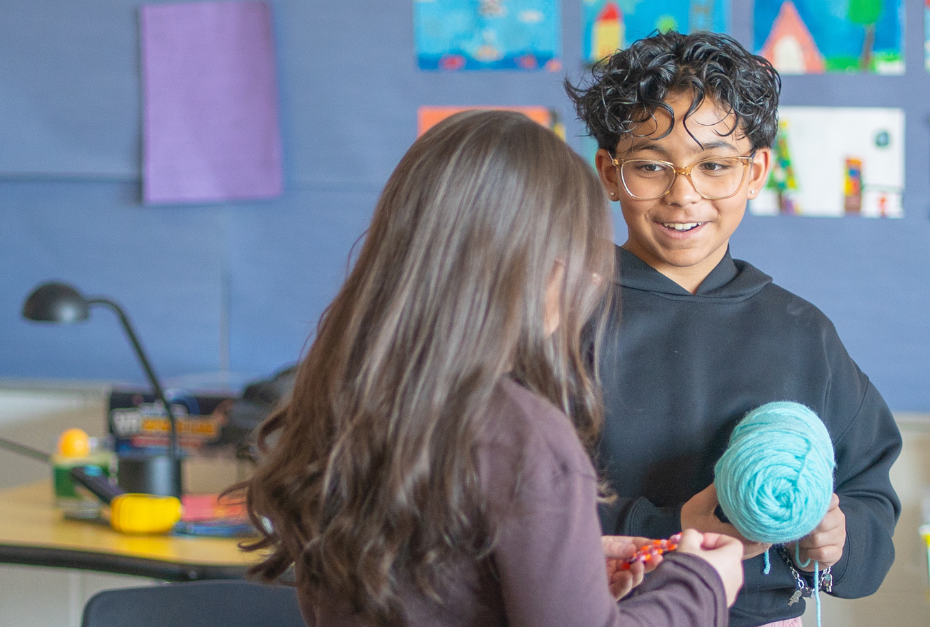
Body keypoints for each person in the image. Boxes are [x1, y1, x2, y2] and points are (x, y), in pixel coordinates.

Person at [232, 110, 745, 627]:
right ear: (543, 268)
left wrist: (566, 571)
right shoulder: (521, 434)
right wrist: (698, 584)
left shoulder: (345, 396)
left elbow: (443, 590)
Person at [567, 31, 903, 627]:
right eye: (650, 166)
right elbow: (508, 510)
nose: (683, 194)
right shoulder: (560, 320)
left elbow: (868, 495)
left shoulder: (803, 334)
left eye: (715, 166)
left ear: (756, 173)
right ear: (609, 173)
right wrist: (671, 530)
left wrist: (835, 538)